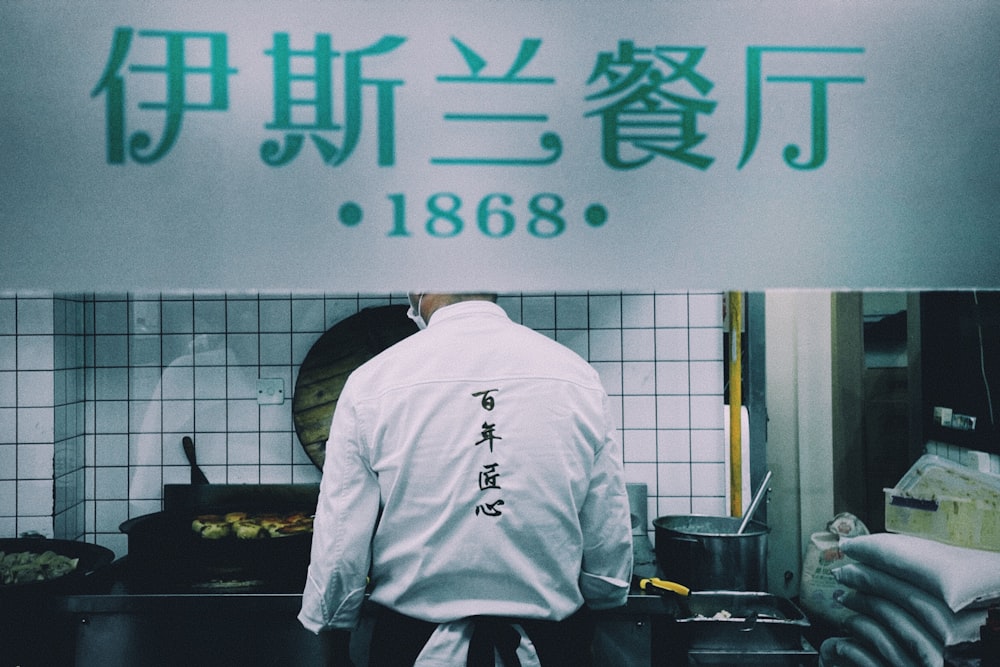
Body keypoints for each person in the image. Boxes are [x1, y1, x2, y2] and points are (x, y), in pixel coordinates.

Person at [298, 293, 633, 666]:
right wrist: (603, 593)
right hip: (551, 647)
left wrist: (333, 630)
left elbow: (340, 542)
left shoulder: (372, 382)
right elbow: (608, 537)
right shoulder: (575, 376)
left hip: (415, 650)